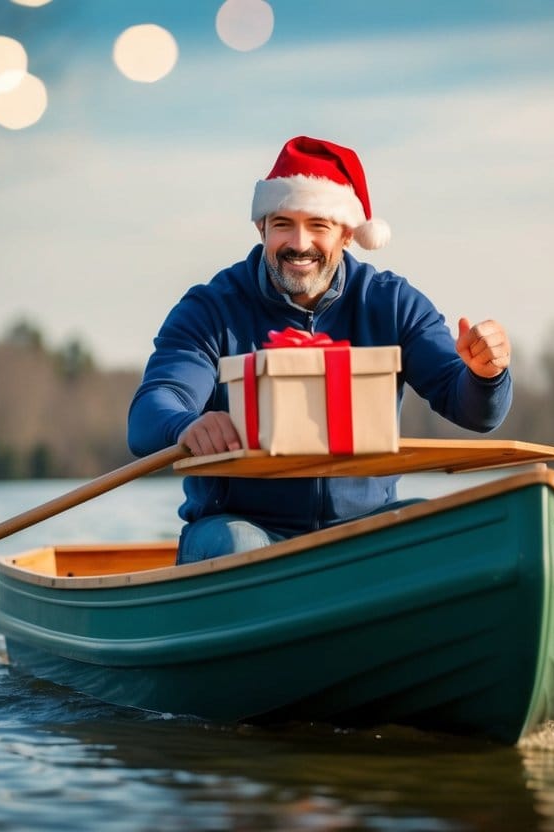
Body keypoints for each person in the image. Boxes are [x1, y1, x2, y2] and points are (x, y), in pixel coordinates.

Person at [128, 136, 512, 563]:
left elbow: (476, 413)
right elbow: (150, 413)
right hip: (239, 529)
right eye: (282, 224)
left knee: (438, 528)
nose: (299, 243)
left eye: (318, 225)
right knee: (237, 546)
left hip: (364, 529)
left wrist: (485, 375)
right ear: (261, 227)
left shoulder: (392, 303)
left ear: (347, 234)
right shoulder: (211, 307)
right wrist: (185, 425)